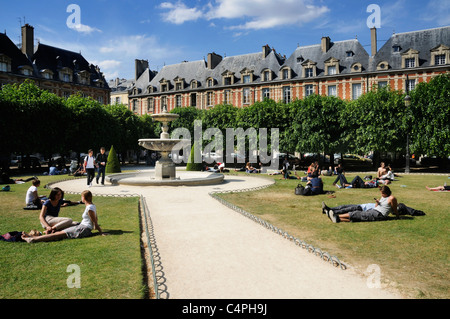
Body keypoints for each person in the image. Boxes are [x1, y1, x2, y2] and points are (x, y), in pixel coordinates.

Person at [22, 190, 105, 243]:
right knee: (59, 233)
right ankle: (32, 237)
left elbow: (95, 221)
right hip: (82, 227)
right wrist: (95, 227)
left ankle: (32, 239)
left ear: (83, 197)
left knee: (58, 235)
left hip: (83, 229)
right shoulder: (91, 206)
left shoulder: (90, 207)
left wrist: (101, 232)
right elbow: (95, 220)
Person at [324, 186, 399, 223]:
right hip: (374, 210)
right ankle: (337, 219)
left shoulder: (391, 198)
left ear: (387, 192)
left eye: (383, 193)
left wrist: (397, 216)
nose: (382, 195)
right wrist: (377, 203)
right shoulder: (383, 197)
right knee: (358, 217)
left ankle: (335, 215)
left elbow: (394, 208)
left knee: (357, 213)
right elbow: (377, 206)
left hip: (379, 214)